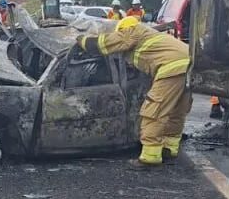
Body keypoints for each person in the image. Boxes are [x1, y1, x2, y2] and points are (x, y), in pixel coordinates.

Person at [75, 16, 191, 168]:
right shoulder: (149, 35)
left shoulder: (132, 31)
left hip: (171, 68)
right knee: (176, 110)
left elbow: (101, 45)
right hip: (190, 68)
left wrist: (80, 39)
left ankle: (150, 157)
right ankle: (169, 149)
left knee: (153, 111)